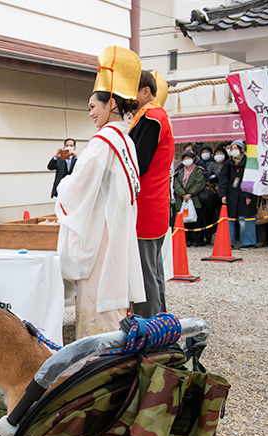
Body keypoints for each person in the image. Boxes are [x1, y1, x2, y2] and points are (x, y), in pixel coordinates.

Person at [56, 46, 145, 339]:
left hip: (100, 233)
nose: (91, 113)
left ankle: (96, 368)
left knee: (97, 299)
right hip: (117, 227)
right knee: (115, 300)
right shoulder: (125, 140)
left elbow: (78, 186)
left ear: (111, 104)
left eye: (93, 107)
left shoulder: (103, 141)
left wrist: (63, 186)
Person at [128, 69, 175, 318]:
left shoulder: (151, 118)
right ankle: (159, 324)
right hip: (154, 204)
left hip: (145, 205)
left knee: (145, 274)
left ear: (146, 91)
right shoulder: (155, 115)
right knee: (153, 272)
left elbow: (137, 163)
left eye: (132, 90)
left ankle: (149, 330)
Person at [219, 139, 256, 249]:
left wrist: (249, 195)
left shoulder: (249, 162)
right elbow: (223, 180)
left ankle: (248, 242)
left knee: (245, 219)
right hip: (231, 194)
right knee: (230, 219)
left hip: (245, 193)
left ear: (242, 149)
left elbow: (251, 179)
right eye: (232, 149)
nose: (234, 151)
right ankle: (229, 242)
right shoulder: (228, 164)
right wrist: (223, 194)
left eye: (236, 148)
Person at [172, 151, 206, 247]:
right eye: (185, 158)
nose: (187, 160)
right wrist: (183, 194)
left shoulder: (198, 170)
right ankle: (187, 239)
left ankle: (196, 240)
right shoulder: (179, 172)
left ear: (193, 159)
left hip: (194, 198)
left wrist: (190, 193)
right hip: (182, 199)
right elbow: (176, 184)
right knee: (184, 221)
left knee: (196, 220)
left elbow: (199, 183)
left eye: (189, 158)